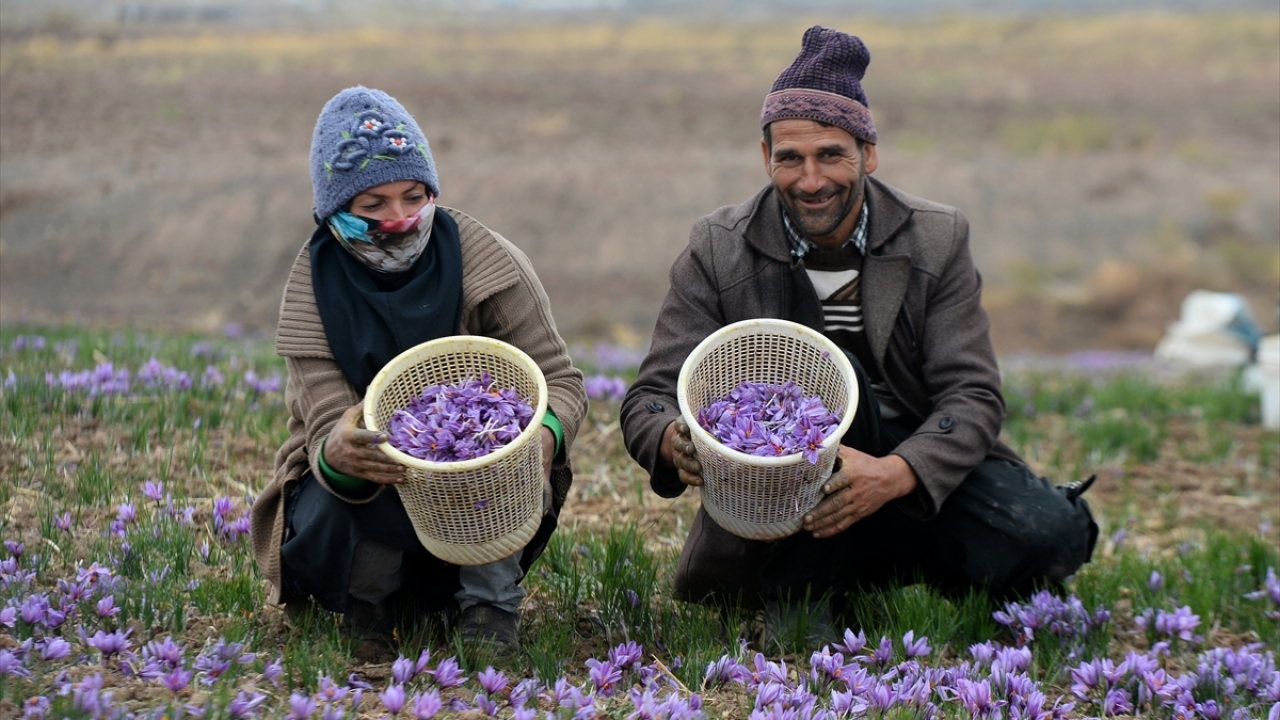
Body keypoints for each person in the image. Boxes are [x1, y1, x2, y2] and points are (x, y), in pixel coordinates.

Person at [620, 26, 1097, 648]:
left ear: (868, 153)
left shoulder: (935, 237)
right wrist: (669, 439)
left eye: (831, 154)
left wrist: (897, 473)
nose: (810, 179)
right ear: (766, 159)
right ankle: (804, 593)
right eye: (789, 158)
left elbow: (972, 395)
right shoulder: (719, 246)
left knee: (1046, 533)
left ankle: (906, 567)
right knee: (820, 371)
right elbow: (650, 395)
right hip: (781, 483)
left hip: (905, 458)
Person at [249, 86, 587, 660]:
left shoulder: (488, 261)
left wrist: (541, 437)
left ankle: (488, 605)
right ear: (335, 213)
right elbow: (325, 422)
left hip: (483, 484)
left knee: (504, 458)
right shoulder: (313, 287)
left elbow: (562, 381)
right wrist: (341, 451)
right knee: (350, 477)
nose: (401, 221)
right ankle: (369, 604)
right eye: (372, 206)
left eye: (413, 196)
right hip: (372, 488)